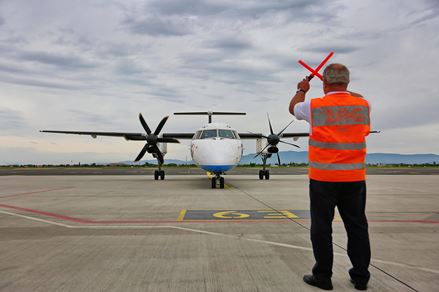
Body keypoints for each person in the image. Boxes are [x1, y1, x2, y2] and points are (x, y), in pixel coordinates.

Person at [289, 63, 371, 291]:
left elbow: (292, 108)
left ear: (324, 83)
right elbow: (357, 95)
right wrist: (343, 90)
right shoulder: (363, 104)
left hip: (323, 178)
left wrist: (302, 89)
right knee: (357, 226)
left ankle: (323, 276)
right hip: (354, 178)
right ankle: (361, 277)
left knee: (322, 227)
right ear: (348, 82)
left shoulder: (314, 106)